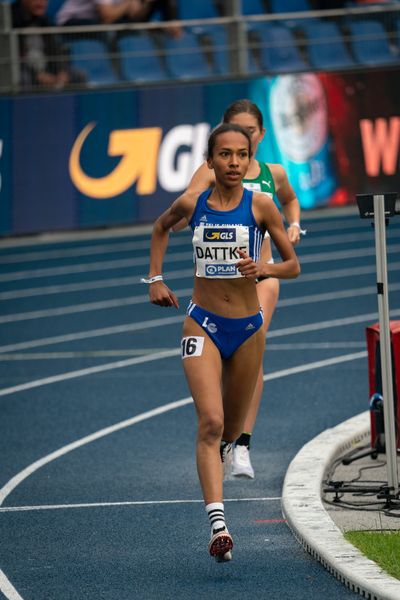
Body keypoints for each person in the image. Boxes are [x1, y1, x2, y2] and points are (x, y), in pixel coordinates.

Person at [144, 122, 300, 561]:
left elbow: (293, 266)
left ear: (250, 161)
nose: (233, 162)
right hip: (202, 324)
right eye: (225, 154)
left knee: (231, 431)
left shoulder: (263, 206)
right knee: (210, 423)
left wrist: (264, 270)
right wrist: (155, 278)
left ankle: (234, 449)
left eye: (241, 155)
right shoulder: (192, 204)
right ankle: (218, 525)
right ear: (209, 161)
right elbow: (160, 229)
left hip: (248, 328)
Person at [173, 99, 302, 479]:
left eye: (249, 133)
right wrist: (178, 223)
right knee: (233, 358)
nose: (242, 142)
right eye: (235, 132)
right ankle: (225, 433)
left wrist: (292, 224)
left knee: (254, 339)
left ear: (260, 135)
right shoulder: (210, 171)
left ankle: (241, 444)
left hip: (262, 276)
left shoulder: (273, 173)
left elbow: (291, 200)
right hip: (220, 281)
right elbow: (186, 207)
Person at [12, 0, 85, 89]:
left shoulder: (45, 21)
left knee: (79, 75)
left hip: (48, 70)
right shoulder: (9, 20)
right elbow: (12, 57)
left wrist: (62, 71)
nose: (42, 2)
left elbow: (56, 50)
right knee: (23, 78)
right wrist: (37, 75)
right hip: (24, 71)